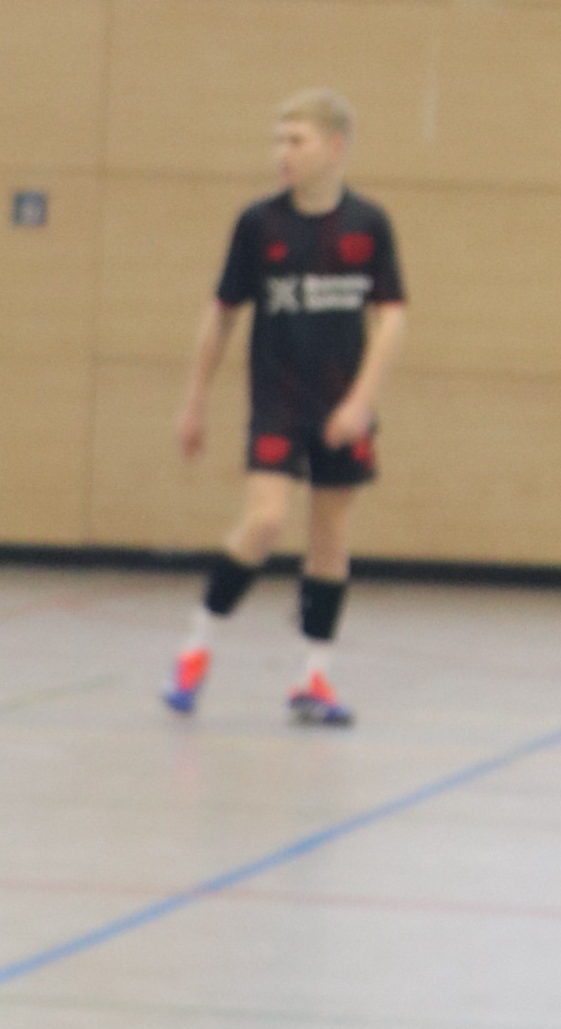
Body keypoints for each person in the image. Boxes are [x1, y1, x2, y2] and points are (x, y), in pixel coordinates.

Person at [164, 87, 406, 728]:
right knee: (266, 523)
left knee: (330, 539)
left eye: (295, 140)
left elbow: (392, 319)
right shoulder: (259, 225)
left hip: (341, 409)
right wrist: (195, 403)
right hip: (277, 402)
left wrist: (361, 401)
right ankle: (195, 647)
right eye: (277, 140)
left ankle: (313, 676)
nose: (282, 153)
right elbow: (220, 317)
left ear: (335, 147)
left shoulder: (368, 225)